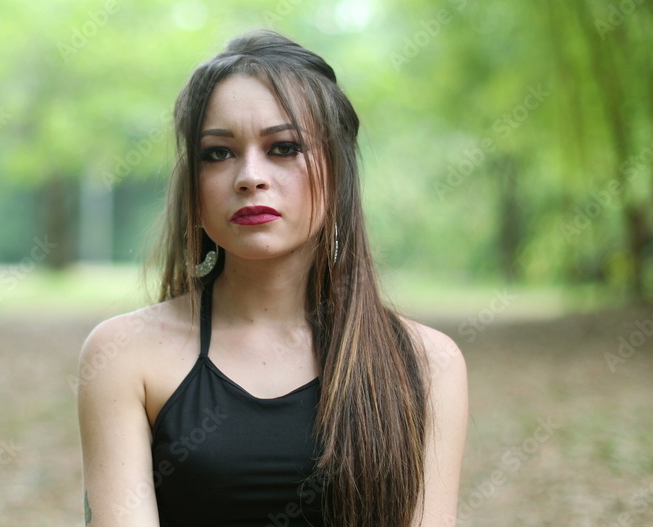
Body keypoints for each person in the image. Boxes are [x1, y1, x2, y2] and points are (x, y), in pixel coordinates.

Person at [77, 30, 468, 527]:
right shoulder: (124, 354)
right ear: (193, 186)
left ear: (339, 172)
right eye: (217, 153)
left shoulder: (427, 364)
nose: (249, 176)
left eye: (283, 148)